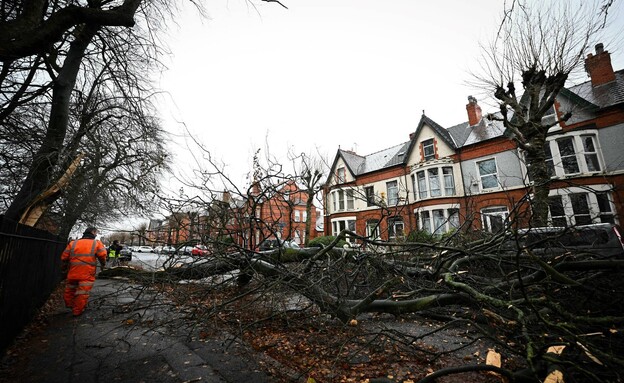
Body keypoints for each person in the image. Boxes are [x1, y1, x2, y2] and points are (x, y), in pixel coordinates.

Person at [61, 226, 107, 316]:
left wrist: (64, 268)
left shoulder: (73, 243)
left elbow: (64, 257)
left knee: (70, 289)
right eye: (96, 233)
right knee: (82, 292)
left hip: (73, 271)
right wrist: (103, 264)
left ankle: (70, 305)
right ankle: (77, 311)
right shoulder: (96, 243)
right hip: (87, 273)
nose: (96, 234)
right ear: (93, 232)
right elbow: (102, 255)